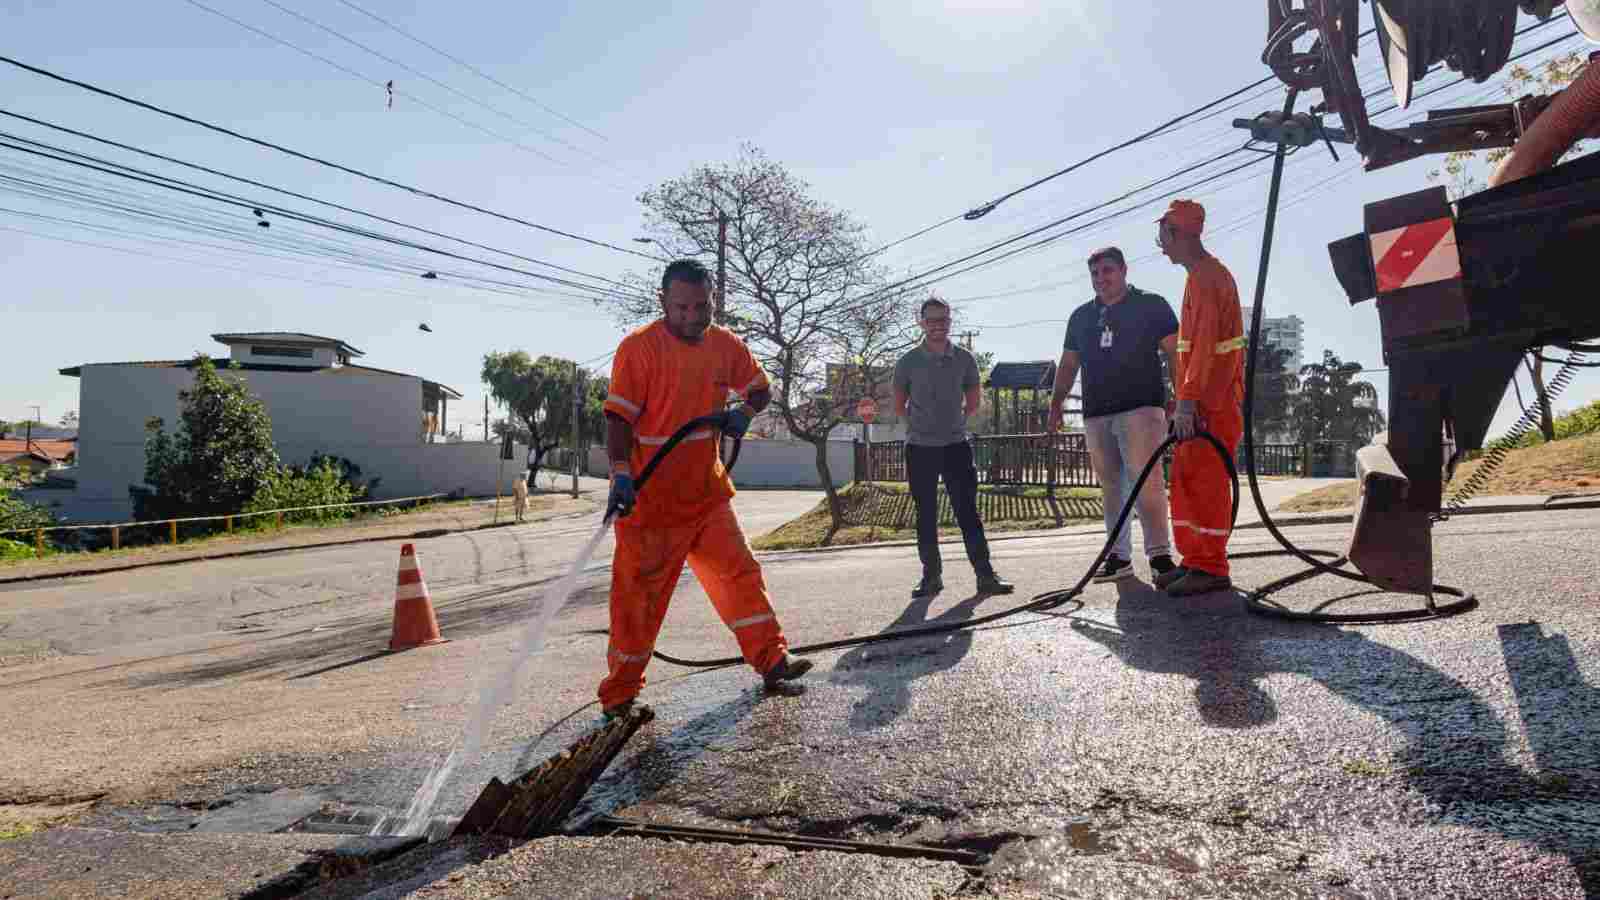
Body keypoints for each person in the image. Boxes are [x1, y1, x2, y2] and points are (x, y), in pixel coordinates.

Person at [599, 259, 812, 718]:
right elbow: (617, 418)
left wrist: (746, 413)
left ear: (713, 300)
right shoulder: (638, 350)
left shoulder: (724, 345)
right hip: (650, 501)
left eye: (702, 306)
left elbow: (760, 387)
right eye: (682, 308)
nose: (693, 316)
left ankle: (773, 661)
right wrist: (620, 472)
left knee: (740, 575)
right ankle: (619, 695)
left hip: (707, 494)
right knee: (638, 599)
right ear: (663, 302)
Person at [1046, 246, 1180, 584]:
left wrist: (1183, 396)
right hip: (1096, 413)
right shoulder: (1081, 317)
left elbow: (1176, 353)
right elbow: (1068, 364)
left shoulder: (1151, 305)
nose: (1100, 279)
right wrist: (1056, 403)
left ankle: (1160, 556)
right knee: (1111, 488)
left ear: (1123, 270)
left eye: (1107, 271)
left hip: (1142, 408)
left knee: (1146, 482)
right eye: (1094, 273)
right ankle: (1118, 557)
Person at [892, 297, 1015, 600]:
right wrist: (920, 427)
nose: (938, 325)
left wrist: (955, 422)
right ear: (921, 323)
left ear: (950, 321)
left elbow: (973, 399)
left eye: (943, 319)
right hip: (920, 448)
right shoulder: (908, 361)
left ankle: (985, 576)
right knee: (926, 514)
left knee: (967, 512)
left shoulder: (964, 359)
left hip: (956, 446)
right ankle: (931, 578)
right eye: (931, 320)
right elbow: (898, 404)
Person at [1155, 199, 1246, 596]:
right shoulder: (1198, 277)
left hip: (1213, 404)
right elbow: (1193, 350)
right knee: (1189, 480)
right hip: (1201, 402)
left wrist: (1189, 402)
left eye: (1163, 236)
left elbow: (1206, 346)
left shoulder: (1208, 277)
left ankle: (1211, 566)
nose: (1160, 245)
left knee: (1206, 483)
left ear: (1179, 233)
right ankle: (1195, 561)